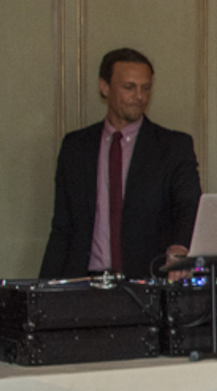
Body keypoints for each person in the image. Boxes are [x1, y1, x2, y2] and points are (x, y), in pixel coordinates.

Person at [40, 49, 202, 279]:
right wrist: (46, 289)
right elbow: (63, 227)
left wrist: (179, 247)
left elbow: (189, 207)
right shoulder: (76, 147)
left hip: (147, 282)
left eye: (145, 88)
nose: (139, 96)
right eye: (129, 87)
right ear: (104, 88)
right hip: (85, 282)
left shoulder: (173, 147)